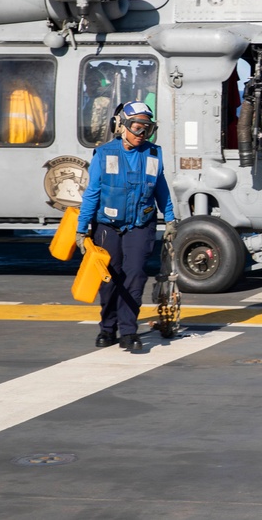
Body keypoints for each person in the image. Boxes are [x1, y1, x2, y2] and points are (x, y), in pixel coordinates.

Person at [75, 101, 177, 352]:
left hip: (141, 224)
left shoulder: (153, 154)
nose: (142, 134)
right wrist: (81, 228)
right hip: (107, 226)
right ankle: (107, 328)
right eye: (137, 127)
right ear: (121, 126)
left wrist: (171, 218)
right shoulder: (105, 153)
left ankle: (129, 332)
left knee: (135, 276)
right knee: (110, 279)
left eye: (147, 129)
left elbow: (160, 188)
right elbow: (92, 192)